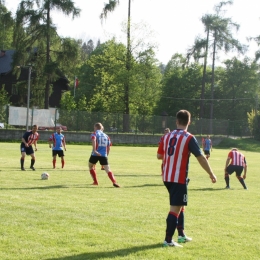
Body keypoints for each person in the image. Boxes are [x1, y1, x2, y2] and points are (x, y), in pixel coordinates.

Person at [157, 110, 217, 247]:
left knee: (180, 205)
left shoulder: (166, 136)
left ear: (176, 121)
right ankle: (168, 240)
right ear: (189, 122)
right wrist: (211, 173)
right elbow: (201, 158)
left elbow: (159, 156)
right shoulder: (189, 137)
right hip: (178, 178)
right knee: (175, 208)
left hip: (167, 176)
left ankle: (181, 235)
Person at [88, 122, 120, 188]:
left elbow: (93, 140)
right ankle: (114, 182)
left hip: (95, 154)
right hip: (104, 155)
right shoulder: (106, 136)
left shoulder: (94, 134)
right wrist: (106, 155)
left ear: (95, 127)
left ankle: (95, 181)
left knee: (90, 166)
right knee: (108, 169)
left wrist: (95, 150)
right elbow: (108, 147)